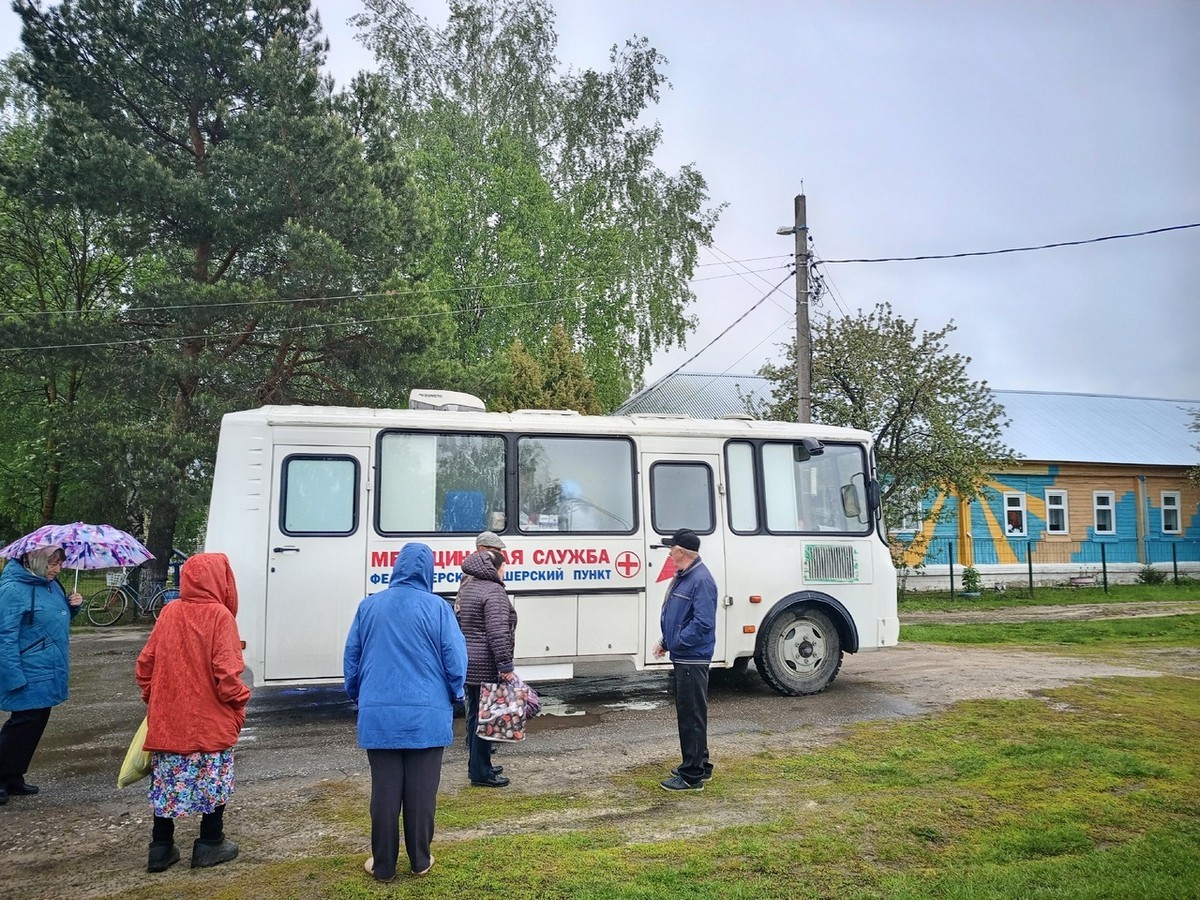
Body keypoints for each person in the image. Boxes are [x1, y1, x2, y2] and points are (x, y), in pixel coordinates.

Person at [344, 542, 467, 883]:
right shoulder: (438, 608)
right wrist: (456, 693)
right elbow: (455, 658)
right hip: (426, 714)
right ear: (429, 569)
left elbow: (352, 659)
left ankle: (382, 865)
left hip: (378, 713)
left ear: (396, 567)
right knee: (421, 792)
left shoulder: (368, 607)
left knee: (384, 792)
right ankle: (420, 860)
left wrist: (359, 695)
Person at [135, 553, 250, 872]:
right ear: (222, 581)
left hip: (169, 723)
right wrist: (241, 699)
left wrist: (157, 698)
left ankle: (160, 848)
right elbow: (227, 678)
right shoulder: (220, 617)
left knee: (167, 784)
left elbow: (145, 664)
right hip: (209, 724)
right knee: (213, 783)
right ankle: (210, 844)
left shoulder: (169, 611)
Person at [0, 545, 84, 805]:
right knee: (22, 723)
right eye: (52, 563)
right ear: (34, 560)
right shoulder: (12, 590)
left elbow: (51, 619)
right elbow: (4, 636)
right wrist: (12, 677)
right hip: (27, 669)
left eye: (59, 563)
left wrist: (73, 608)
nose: (57, 569)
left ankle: (13, 776)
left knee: (35, 723)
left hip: (47, 667)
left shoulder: (50, 585)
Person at [653, 528, 718, 792]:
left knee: (690, 717)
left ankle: (692, 776)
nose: (668, 553)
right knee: (693, 714)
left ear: (680, 552)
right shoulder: (686, 576)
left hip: (692, 658)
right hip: (685, 655)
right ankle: (701, 764)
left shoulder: (699, 580)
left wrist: (677, 641)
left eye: (671, 549)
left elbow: (703, 623)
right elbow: (679, 616)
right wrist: (665, 641)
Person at [456, 546, 517, 788]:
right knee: (486, 720)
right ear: (495, 568)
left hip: (470, 662)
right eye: (504, 568)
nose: (504, 572)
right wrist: (505, 665)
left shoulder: (469, 587)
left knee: (474, 717)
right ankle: (482, 773)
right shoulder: (494, 592)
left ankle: (479, 765)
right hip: (486, 665)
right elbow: (498, 633)